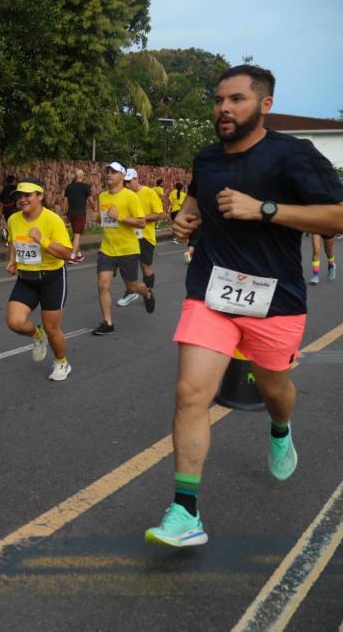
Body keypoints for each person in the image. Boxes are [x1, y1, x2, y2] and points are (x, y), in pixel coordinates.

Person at [145, 65, 343, 548]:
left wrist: (265, 209)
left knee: (275, 391)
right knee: (191, 394)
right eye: (218, 100)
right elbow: (194, 205)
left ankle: (280, 429)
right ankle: (185, 513)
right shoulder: (207, 158)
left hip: (276, 301)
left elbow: (337, 217)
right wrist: (183, 221)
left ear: (265, 105)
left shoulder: (293, 154)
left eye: (236, 99)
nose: (224, 109)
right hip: (211, 293)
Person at [4, 179, 73, 380]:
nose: (22, 200)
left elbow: (67, 253)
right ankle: (37, 334)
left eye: (27, 195)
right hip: (26, 278)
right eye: (19, 196)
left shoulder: (52, 220)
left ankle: (62, 363)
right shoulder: (13, 219)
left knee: (52, 328)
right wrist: (12, 260)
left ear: (40, 196)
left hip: (52, 278)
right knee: (15, 322)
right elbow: (12, 241)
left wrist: (41, 239)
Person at [92, 161, 155, 335]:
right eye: (107, 171)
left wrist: (119, 216)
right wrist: (98, 218)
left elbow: (141, 222)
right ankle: (108, 323)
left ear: (122, 176)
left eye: (113, 172)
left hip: (128, 250)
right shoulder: (102, 196)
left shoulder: (130, 197)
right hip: (107, 249)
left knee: (133, 287)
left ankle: (147, 293)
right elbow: (106, 220)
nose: (109, 174)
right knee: (103, 284)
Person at [117, 168, 164, 307]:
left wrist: (141, 218)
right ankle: (131, 291)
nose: (127, 185)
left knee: (144, 265)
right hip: (128, 235)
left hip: (145, 236)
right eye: (125, 183)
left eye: (129, 182)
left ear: (136, 179)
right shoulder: (124, 195)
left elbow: (159, 214)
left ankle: (148, 292)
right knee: (126, 265)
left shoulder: (149, 193)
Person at [63, 168, 91, 264]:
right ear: (83, 177)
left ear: (75, 176)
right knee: (77, 235)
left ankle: (79, 255)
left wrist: (64, 213)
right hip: (80, 214)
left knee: (76, 234)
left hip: (70, 214)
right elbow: (91, 200)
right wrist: (95, 208)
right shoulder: (86, 187)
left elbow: (65, 202)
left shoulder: (69, 187)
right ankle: (72, 256)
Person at [0, 174, 19, 244]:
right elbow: (17, 197)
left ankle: (8, 236)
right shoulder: (15, 188)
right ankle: (13, 238)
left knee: (9, 223)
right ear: (13, 181)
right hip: (12, 208)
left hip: (5, 209)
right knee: (15, 223)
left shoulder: (5, 189)